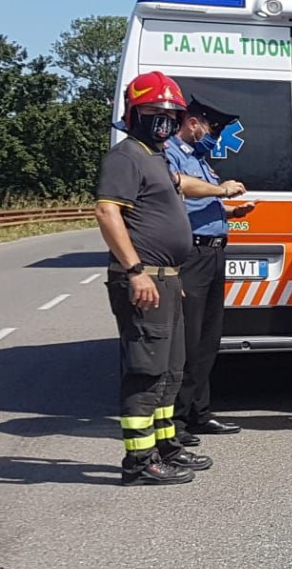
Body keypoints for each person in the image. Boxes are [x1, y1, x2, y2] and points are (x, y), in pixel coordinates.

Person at [93, 72, 212, 486]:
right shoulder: (125, 157)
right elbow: (108, 213)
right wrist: (137, 271)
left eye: (170, 113)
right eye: (154, 112)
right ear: (134, 113)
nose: (163, 119)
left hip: (166, 278)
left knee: (170, 370)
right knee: (145, 372)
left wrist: (221, 191)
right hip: (143, 279)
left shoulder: (156, 156)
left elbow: (184, 185)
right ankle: (138, 462)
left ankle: (165, 447)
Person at [166, 97, 252, 446]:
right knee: (186, 343)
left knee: (207, 341)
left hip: (214, 254)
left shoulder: (198, 159)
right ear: (192, 122)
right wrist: (221, 190)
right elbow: (177, 188)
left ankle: (199, 413)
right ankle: (176, 422)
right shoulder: (169, 153)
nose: (213, 138)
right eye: (211, 129)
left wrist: (231, 214)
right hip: (192, 255)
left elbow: (200, 205)